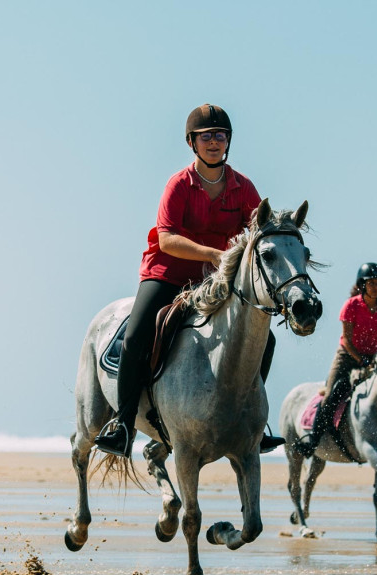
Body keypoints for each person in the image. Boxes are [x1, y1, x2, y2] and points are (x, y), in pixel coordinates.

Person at [94, 103, 284, 458]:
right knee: (136, 336)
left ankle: (251, 420)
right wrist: (212, 254)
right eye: (206, 136)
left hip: (216, 281)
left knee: (266, 339)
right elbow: (167, 239)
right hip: (168, 273)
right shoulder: (178, 184)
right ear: (192, 143)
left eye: (220, 135)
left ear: (228, 141)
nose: (214, 142)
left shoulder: (244, 188)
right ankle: (121, 424)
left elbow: (261, 232)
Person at [296, 262, 377, 458]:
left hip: (371, 358)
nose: (376, 287)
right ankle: (312, 441)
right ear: (362, 285)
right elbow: (348, 341)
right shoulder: (351, 305)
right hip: (346, 356)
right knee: (330, 397)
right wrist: (361, 360)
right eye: (371, 283)